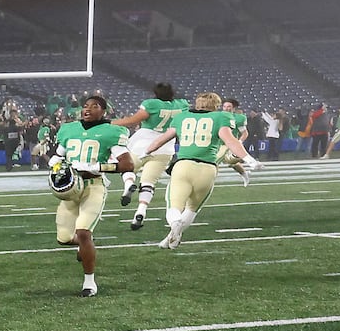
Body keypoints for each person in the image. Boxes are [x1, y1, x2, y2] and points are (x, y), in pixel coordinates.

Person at [143, 92, 262, 250]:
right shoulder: (221, 117)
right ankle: (170, 237)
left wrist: (145, 153)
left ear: (197, 103)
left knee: (173, 206)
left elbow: (160, 140)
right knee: (192, 209)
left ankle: (174, 225)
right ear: (216, 105)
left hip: (183, 166)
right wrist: (250, 160)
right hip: (208, 169)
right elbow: (231, 141)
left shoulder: (182, 117)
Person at [47, 96, 134, 297]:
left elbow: (127, 164)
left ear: (103, 111)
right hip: (70, 189)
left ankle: (89, 282)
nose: (87, 109)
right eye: (85, 106)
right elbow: (57, 155)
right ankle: (85, 245)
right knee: (64, 238)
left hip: (93, 186)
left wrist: (96, 167)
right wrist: (56, 164)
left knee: (84, 232)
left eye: (94, 106)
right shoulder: (69, 129)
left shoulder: (111, 131)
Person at [114, 82, 190, 230]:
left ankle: (129, 185)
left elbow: (133, 120)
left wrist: (110, 123)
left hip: (142, 144)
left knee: (126, 167)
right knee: (148, 182)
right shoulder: (181, 104)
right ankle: (140, 212)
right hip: (165, 147)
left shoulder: (151, 104)